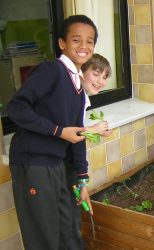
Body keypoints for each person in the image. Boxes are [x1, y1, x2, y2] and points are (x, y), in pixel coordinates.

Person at [6, 15, 97, 250]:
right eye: (76, 40)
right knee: (44, 239)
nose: (84, 46)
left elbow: (77, 135)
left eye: (90, 41)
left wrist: (82, 179)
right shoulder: (51, 70)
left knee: (70, 233)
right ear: (62, 44)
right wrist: (58, 131)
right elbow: (15, 108)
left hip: (58, 164)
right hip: (34, 161)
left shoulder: (78, 87)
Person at [65, 53, 112, 249]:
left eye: (105, 77)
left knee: (72, 218)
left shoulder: (82, 98)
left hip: (68, 164)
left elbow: (76, 133)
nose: (101, 81)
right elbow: (68, 131)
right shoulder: (72, 95)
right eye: (96, 74)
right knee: (67, 220)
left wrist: (93, 133)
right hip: (58, 164)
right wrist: (93, 130)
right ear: (82, 72)